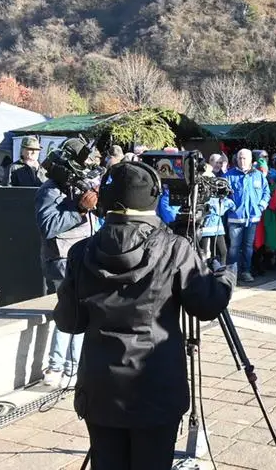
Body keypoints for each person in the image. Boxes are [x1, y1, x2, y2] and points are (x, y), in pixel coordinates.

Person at [53, 161, 236, 470]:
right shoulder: (176, 249)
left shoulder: (82, 252)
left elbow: (69, 321)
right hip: (155, 388)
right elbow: (207, 305)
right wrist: (225, 276)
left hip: (100, 391)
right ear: (152, 197)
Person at [35, 138, 98, 387]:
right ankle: (57, 368)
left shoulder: (75, 187)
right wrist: (79, 210)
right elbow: (48, 226)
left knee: (79, 313)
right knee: (69, 314)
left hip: (82, 258)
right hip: (62, 260)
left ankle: (72, 368)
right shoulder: (49, 190)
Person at [224, 149, 270, 284]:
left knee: (248, 247)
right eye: (240, 158)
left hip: (252, 218)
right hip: (235, 218)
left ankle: (246, 271)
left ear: (251, 160)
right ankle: (232, 274)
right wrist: (231, 206)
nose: (242, 161)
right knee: (234, 247)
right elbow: (223, 195)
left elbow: (266, 192)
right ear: (236, 159)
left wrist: (261, 206)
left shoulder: (258, 175)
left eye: (244, 158)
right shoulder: (229, 176)